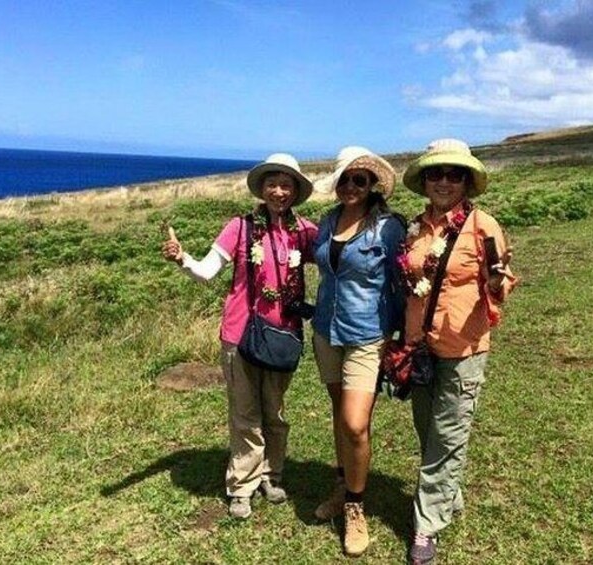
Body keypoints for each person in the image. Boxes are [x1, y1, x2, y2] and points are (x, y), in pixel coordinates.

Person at [161, 153, 317, 520]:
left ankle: (271, 473)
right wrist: (183, 258)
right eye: (272, 183)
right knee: (245, 413)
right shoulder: (240, 227)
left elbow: (337, 260)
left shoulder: (305, 231)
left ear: (295, 191)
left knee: (275, 413)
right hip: (239, 334)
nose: (279, 191)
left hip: (283, 336)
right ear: (262, 188)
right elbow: (206, 271)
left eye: (286, 184)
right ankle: (242, 485)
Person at [398, 139, 517, 564]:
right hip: (420, 346)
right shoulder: (415, 228)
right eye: (436, 173)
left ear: (466, 181)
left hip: (464, 348)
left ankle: (426, 527)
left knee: (448, 435)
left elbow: (499, 283)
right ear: (425, 180)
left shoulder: (483, 226)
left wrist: (497, 283)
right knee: (428, 430)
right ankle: (448, 492)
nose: (444, 182)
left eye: (454, 174)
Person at [311, 147, 406, 557]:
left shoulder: (389, 227)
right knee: (339, 413)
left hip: (367, 333)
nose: (351, 187)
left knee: (354, 422)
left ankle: (355, 506)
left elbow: (402, 280)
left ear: (373, 186)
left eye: (360, 180)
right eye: (345, 180)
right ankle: (343, 481)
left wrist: (402, 333)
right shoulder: (327, 221)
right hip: (326, 331)